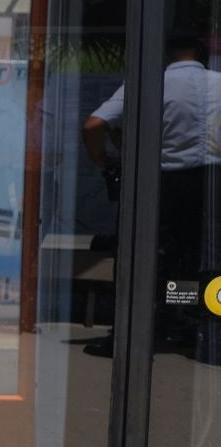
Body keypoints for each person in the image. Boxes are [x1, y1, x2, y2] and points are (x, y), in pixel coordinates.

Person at [82, 29, 220, 357]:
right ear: (202, 56)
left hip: (160, 184)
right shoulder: (219, 83)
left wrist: (102, 157)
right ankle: (197, 328)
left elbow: (94, 125)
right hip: (211, 182)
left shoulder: (146, 84)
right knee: (203, 256)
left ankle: (134, 332)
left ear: (168, 56)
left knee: (145, 256)